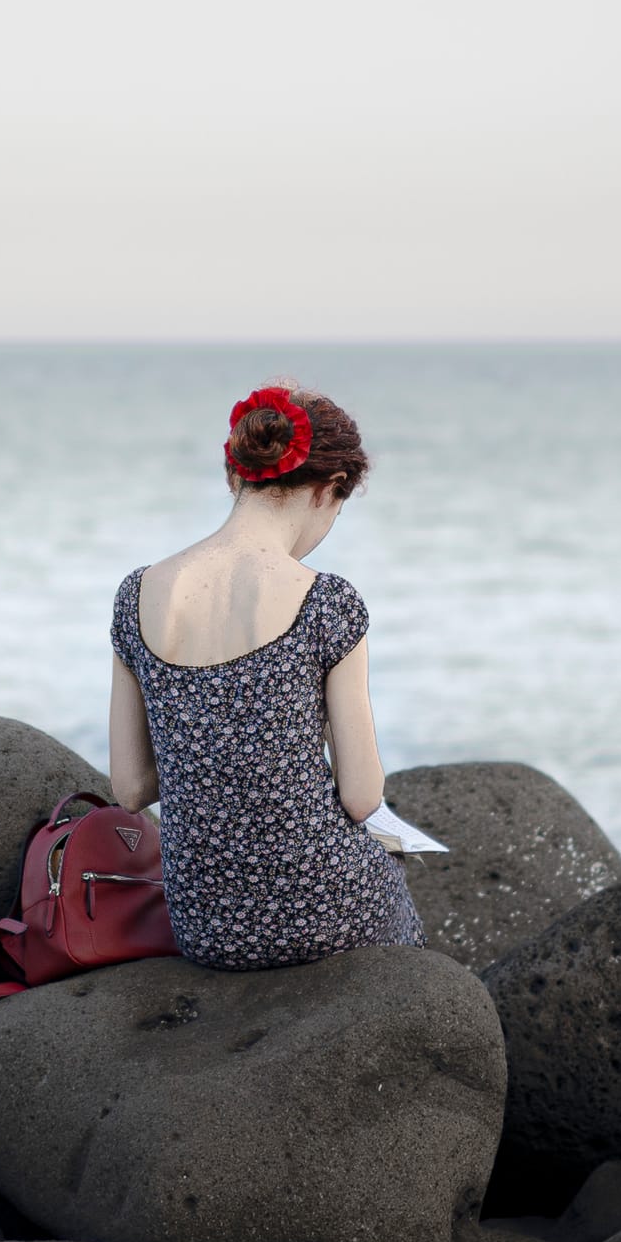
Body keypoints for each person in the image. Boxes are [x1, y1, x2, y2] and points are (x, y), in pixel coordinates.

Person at [108, 383, 425, 970]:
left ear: (236, 477)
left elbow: (130, 789)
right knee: (395, 885)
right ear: (329, 491)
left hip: (206, 925)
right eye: (337, 508)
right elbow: (360, 796)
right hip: (323, 905)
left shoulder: (136, 595)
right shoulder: (326, 601)